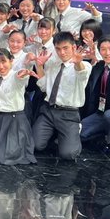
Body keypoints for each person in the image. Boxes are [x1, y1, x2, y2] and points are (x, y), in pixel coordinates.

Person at [32, 32, 92, 160]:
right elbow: (44, 87)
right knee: (35, 145)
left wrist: (78, 63)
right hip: (48, 111)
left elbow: (82, 75)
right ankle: (55, 133)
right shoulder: (53, 64)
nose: (62, 52)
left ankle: (72, 131)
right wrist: (40, 66)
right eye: (58, 49)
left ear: (73, 47)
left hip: (68, 114)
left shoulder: (85, 66)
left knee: (68, 154)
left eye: (65, 48)